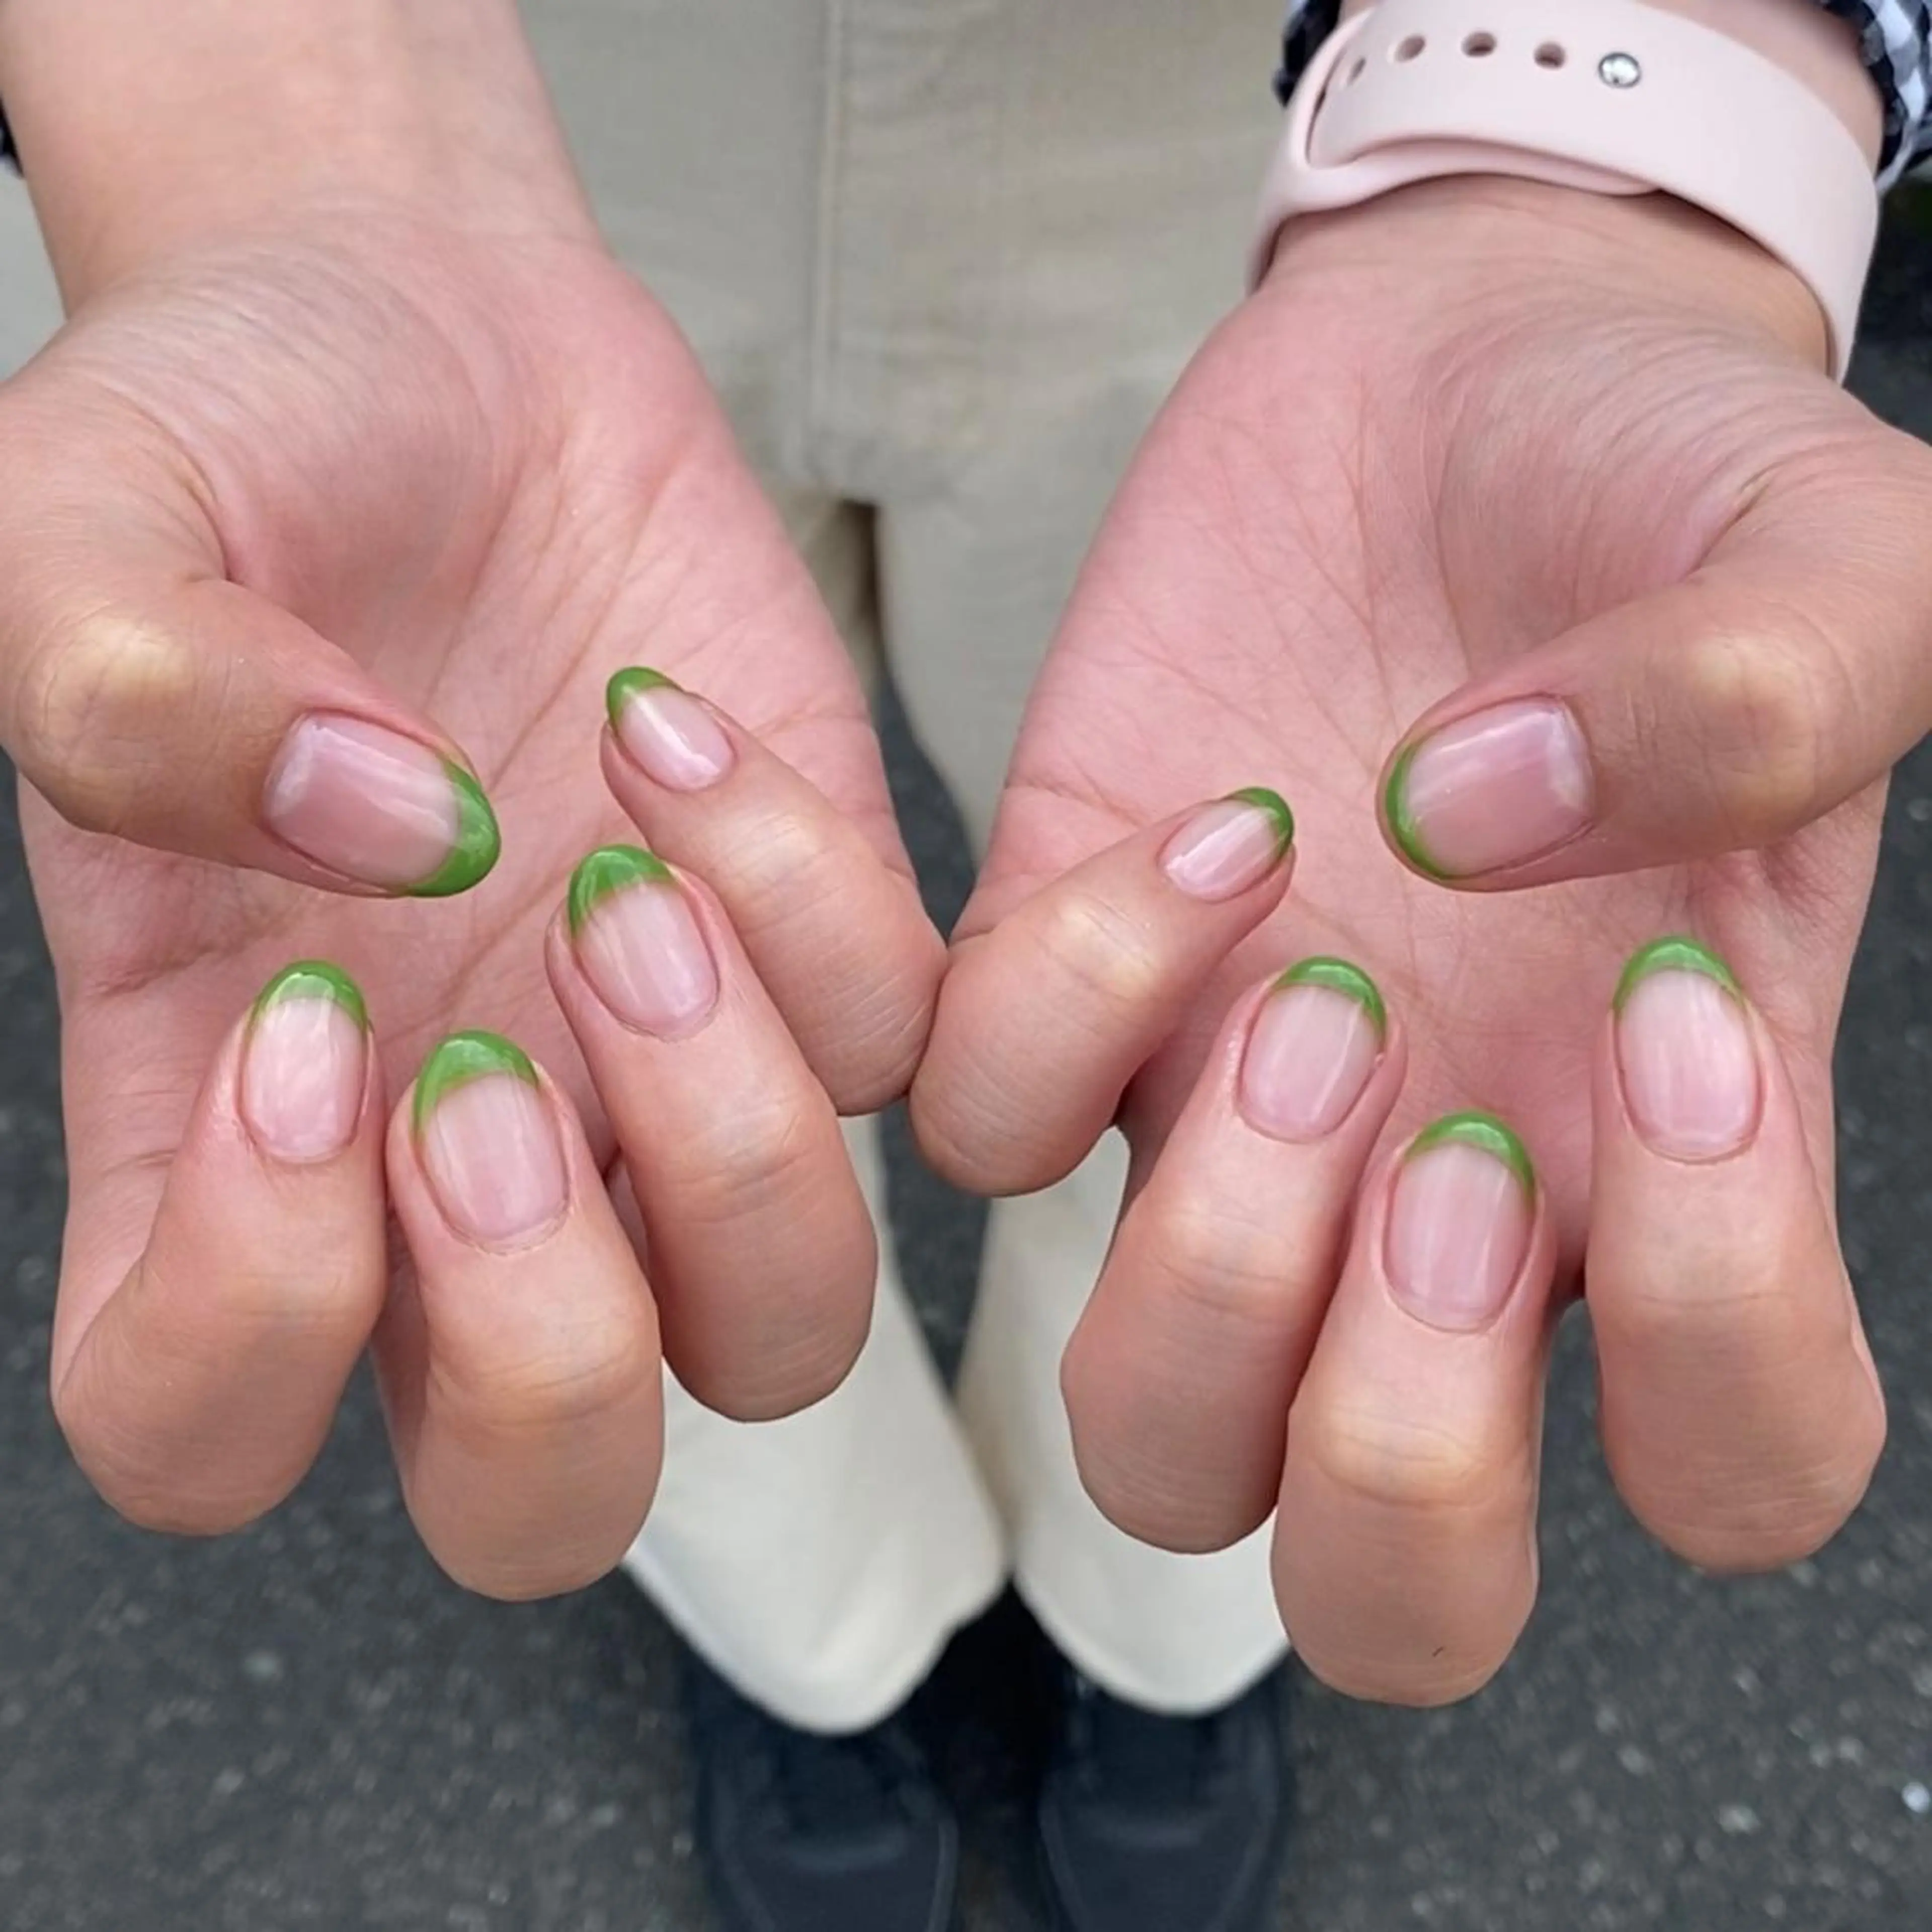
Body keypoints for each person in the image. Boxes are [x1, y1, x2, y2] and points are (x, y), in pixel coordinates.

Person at [0, 1, 1926, 1927]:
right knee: (591, 1107)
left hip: (1271, 132)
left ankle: (1164, 1622)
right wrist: (259, 134)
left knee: (1265, 1014)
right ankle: (817, 1645)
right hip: (416, 81)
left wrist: (1581, 158)